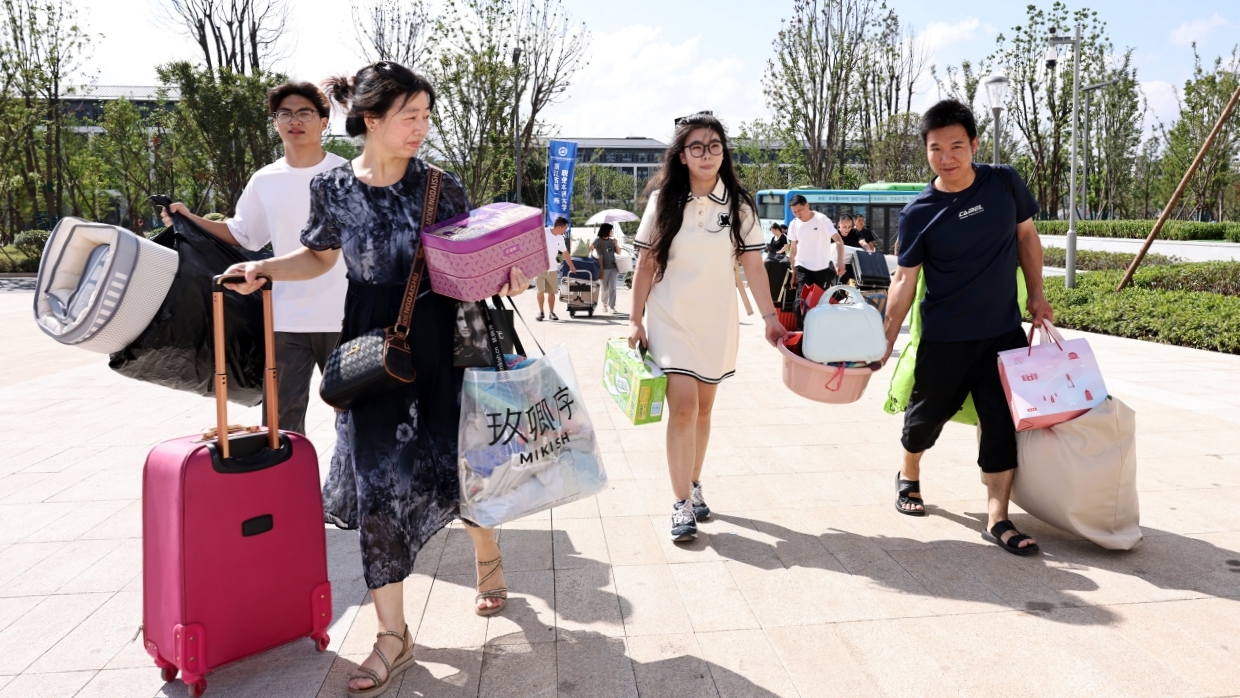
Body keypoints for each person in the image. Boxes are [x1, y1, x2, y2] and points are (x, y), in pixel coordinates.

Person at [221, 62, 530, 697]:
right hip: (371, 346)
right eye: (409, 115)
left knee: (458, 465)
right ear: (371, 119)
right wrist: (265, 271)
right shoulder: (335, 187)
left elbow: (469, 260)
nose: (422, 127)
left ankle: (487, 556)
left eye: (425, 115)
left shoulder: (442, 186)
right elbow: (319, 254)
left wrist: (507, 274)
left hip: (442, 341)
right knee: (377, 484)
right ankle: (394, 635)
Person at [881, 99, 1051, 556]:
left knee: (1000, 426)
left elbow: (1027, 238)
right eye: (937, 148)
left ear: (975, 144)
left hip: (1002, 334)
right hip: (944, 337)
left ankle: (998, 517)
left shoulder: (1004, 183)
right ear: (927, 152)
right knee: (924, 420)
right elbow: (904, 279)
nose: (947, 157)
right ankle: (909, 472)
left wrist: (1037, 295)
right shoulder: (919, 212)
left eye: (957, 145)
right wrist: (885, 338)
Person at [629, 112, 786, 542]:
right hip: (670, 318)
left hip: (717, 320)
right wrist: (634, 318)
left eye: (714, 146)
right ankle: (680, 504)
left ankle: (694, 482)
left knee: (703, 410)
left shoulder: (739, 204)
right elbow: (646, 262)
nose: (706, 154)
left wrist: (771, 318)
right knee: (682, 407)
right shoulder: (663, 201)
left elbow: (753, 264)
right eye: (696, 147)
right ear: (681, 156)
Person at [160, 82, 348, 435]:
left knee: (352, 417)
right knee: (280, 421)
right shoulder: (265, 179)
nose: (295, 121)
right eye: (285, 114)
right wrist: (187, 218)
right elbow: (244, 234)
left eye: (305, 113)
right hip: (284, 317)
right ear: (275, 122)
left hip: (344, 314)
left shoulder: (347, 175)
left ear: (324, 122)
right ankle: (285, 489)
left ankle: (350, 490)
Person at [786, 194, 845, 316]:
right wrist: (793, 272)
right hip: (802, 267)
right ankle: (804, 330)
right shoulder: (794, 224)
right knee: (803, 303)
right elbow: (793, 249)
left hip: (821, 268)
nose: (797, 214)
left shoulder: (822, 220)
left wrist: (840, 261)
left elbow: (839, 240)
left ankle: (817, 330)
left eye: (800, 210)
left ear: (807, 205)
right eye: (794, 212)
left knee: (818, 303)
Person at [535, 216, 576, 321]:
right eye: (565, 228)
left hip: (552, 269)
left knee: (551, 293)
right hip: (539, 269)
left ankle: (551, 313)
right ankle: (541, 312)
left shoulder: (560, 238)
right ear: (559, 227)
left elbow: (565, 253)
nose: (565, 230)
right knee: (540, 291)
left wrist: (571, 266)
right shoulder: (542, 233)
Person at [593, 223, 621, 313]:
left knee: (612, 287)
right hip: (603, 268)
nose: (612, 232)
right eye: (610, 230)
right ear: (606, 231)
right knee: (604, 289)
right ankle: (604, 305)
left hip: (613, 268)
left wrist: (616, 244)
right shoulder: (598, 240)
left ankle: (612, 307)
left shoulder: (612, 241)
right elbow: (590, 248)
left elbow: (619, 252)